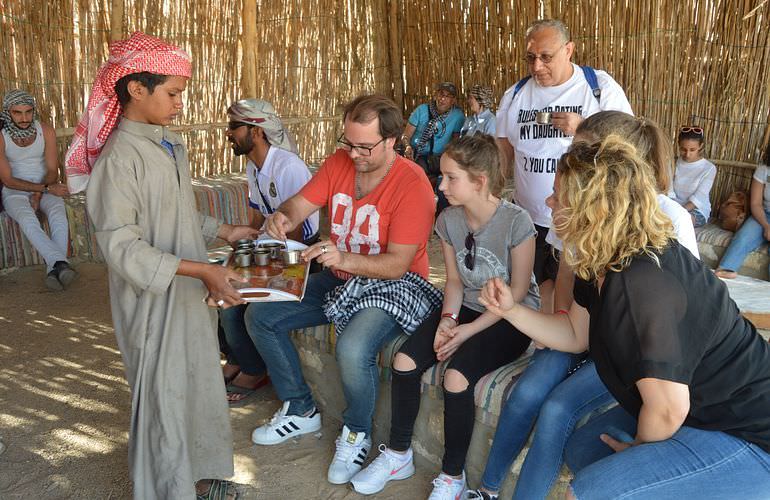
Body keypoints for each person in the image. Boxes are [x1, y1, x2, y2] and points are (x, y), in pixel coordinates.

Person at [481, 135, 770, 498]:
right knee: (585, 450)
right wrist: (510, 310)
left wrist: (636, 459)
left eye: (559, 195)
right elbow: (574, 334)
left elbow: (667, 410)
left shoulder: (643, 282)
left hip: (746, 431)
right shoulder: (602, 260)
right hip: (695, 410)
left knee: (593, 490)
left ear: (592, 209)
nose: (548, 202)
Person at [468, 111, 700, 500]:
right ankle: (487, 490)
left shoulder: (659, 233)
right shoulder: (583, 219)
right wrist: (546, 323)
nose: (569, 159)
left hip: (632, 354)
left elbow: (668, 340)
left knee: (558, 409)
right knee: (528, 393)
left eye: (581, 149)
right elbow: (568, 289)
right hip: (585, 329)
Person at [68, 32, 258, 500]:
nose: (179, 104)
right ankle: (170, 490)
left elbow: (175, 210)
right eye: (172, 93)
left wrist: (227, 232)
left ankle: (201, 477)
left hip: (186, 290)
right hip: (151, 302)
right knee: (164, 396)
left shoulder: (168, 144)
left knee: (196, 384)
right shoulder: (118, 159)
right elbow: (120, 245)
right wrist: (202, 271)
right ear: (136, 89)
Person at [246, 94, 436, 486]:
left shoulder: (412, 183)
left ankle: (356, 433)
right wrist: (282, 217)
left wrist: (344, 258)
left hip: (394, 285)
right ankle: (300, 409)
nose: (354, 154)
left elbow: (398, 263)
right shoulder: (339, 162)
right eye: (347, 143)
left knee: (352, 348)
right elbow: (300, 203)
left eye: (364, 147)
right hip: (340, 276)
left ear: (392, 141)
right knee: (260, 315)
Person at [350, 134, 539, 499]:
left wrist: (466, 333)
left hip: (511, 318)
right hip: (466, 306)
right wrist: (448, 321)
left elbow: (516, 294)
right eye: (443, 176)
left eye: (451, 177)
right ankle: (399, 454)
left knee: (455, 378)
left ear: (480, 181)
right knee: (405, 360)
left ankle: (453, 476)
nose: (441, 184)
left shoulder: (517, 222)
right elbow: (453, 281)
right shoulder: (450, 220)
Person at [495, 19, 632, 313]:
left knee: (573, 299)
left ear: (569, 50)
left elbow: (630, 143)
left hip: (583, 221)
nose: (536, 66)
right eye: (531, 57)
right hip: (528, 220)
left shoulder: (598, 88)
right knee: (532, 291)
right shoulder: (516, 94)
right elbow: (503, 151)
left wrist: (583, 128)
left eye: (546, 57)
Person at [218, 98, 320, 406]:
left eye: (234, 127)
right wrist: (243, 249)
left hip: (298, 256)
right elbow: (256, 218)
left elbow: (301, 233)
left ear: (257, 132)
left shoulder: (289, 167)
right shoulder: (254, 166)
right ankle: (237, 357)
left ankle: (254, 369)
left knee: (236, 300)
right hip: (272, 249)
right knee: (221, 283)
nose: (229, 133)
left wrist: (259, 264)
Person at [0, 90, 76, 290]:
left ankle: (53, 269)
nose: (24, 118)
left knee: (58, 213)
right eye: (17, 113)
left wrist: (39, 193)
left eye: (28, 112)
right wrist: (40, 190)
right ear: (8, 112)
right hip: (15, 190)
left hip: (45, 186)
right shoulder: (1, 136)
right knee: (27, 217)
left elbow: (52, 170)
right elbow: (7, 180)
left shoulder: (45, 130)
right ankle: (60, 263)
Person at [715, 142, 770, 279]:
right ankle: (726, 269)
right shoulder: (764, 170)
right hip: (764, 214)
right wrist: (766, 226)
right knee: (743, 236)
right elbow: (756, 204)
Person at [669, 125, 717, 227]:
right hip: (673, 207)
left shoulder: (709, 168)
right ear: (678, 145)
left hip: (696, 210)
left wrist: (677, 213)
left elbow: (698, 198)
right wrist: (672, 209)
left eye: (692, 150)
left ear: (700, 146)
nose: (687, 154)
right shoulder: (673, 163)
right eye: (683, 149)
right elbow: (669, 191)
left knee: (682, 222)